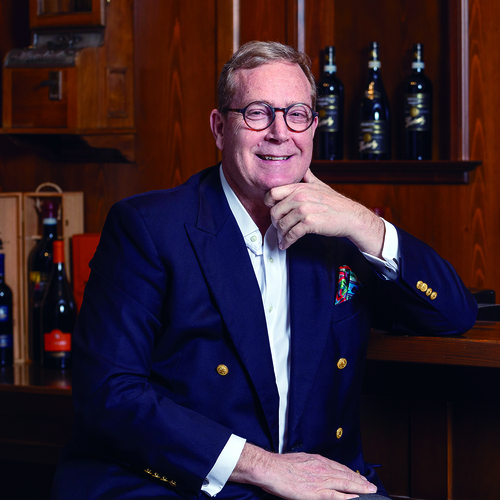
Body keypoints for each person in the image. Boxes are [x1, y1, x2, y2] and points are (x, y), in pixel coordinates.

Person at [51, 41, 477, 500]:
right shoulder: (149, 227)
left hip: (316, 488)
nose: (279, 133)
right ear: (220, 128)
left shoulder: (338, 229)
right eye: (257, 113)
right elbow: (109, 394)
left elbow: (453, 315)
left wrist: (363, 223)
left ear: (313, 128)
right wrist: (265, 468)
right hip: (180, 486)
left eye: (297, 115)